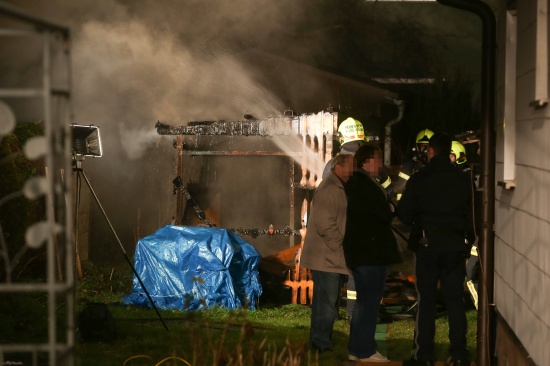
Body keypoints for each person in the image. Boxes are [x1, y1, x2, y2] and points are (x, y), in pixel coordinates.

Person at [397, 133, 475, 366]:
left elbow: (404, 214)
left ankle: (424, 357)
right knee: (455, 303)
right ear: (449, 151)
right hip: (454, 249)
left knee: (427, 302)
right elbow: (473, 216)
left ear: (430, 151)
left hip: (427, 248)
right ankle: (460, 355)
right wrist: (468, 241)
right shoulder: (463, 180)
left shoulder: (420, 178)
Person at [322, 117, 394, 320]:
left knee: (335, 270)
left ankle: (332, 312)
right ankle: (358, 312)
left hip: (339, 225)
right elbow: (387, 193)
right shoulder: (373, 163)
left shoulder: (333, 165)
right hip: (367, 229)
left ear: (342, 137)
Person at [343, 143, 402, 363]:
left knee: (365, 302)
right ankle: (365, 350)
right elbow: (381, 214)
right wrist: (390, 209)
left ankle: (358, 348)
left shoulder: (360, 183)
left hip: (366, 251)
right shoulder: (363, 185)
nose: (381, 164)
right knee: (369, 302)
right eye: (378, 160)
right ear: (367, 162)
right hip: (370, 252)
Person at [300, 153, 354, 352]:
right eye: (350, 167)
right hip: (327, 258)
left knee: (326, 303)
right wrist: (340, 247)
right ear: (338, 168)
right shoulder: (330, 189)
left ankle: (318, 342)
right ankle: (321, 344)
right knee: (327, 304)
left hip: (329, 258)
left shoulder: (336, 187)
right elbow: (326, 226)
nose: (353, 171)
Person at [394, 128, 434, 201]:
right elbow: (400, 190)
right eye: (423, 146)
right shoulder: (409, 167)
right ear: (417, 147)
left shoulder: (438, 166)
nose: (426, 150)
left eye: (428, 146)